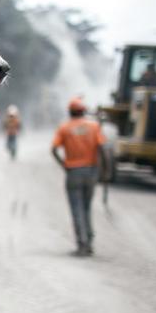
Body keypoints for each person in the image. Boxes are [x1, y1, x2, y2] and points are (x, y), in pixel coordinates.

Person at [52, 97, 107, 257]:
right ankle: (89, 242)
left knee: (77, 209)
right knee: (87, 207)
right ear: (83, 111)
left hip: (73, 172)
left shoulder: (64, 128)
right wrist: (105, 172)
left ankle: (82, 244)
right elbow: (103, 149)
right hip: (91, 172)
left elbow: (54, 150)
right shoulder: (94, 126)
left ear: (70, 112)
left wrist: (64, 165)